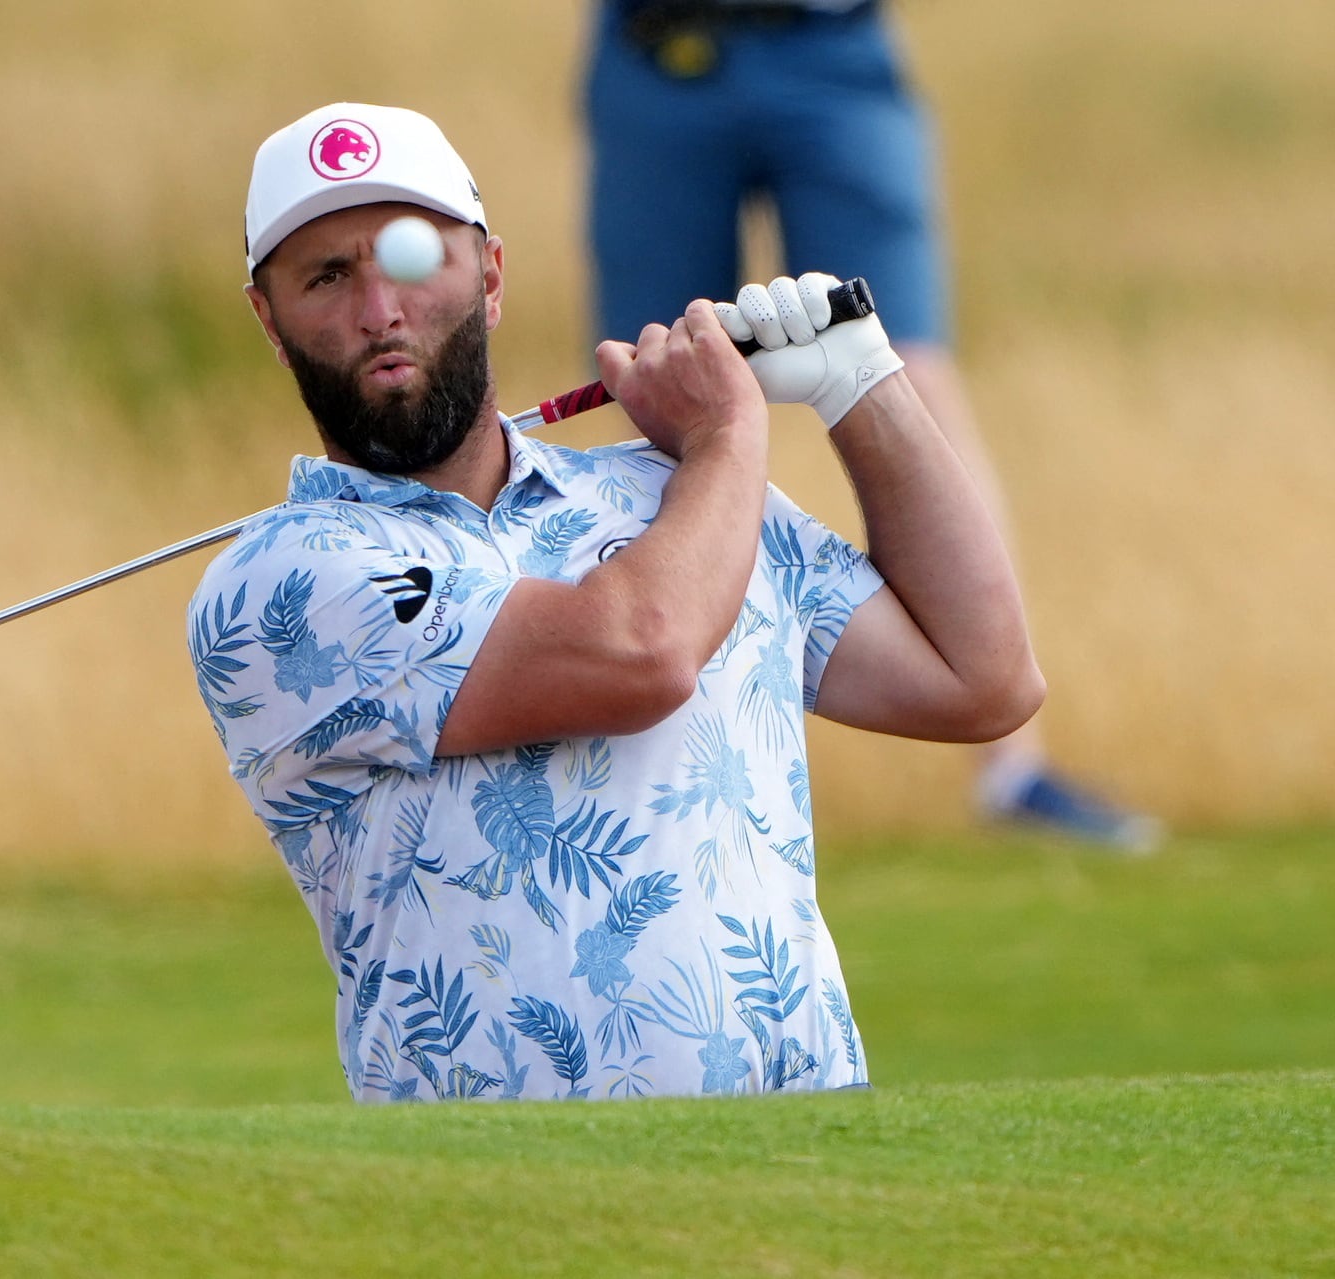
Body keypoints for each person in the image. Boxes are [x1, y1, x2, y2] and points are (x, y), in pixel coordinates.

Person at [187, 101, 1043, 1102]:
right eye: (326, 277)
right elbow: (638, 652)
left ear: (490, 276)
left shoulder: (668, 497)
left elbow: (978, 679)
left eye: (413, 255)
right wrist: (729, 433)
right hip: (501, 1207)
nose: (379, 309)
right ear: (270, 321)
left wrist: (860, 385)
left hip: (811, 1167)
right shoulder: (278, 586)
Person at [585, 0, 1160, 849]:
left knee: (904, 367)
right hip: (656, 46)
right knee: (654, 380)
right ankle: (653, 768)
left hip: (833, 43)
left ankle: (1011, 769)